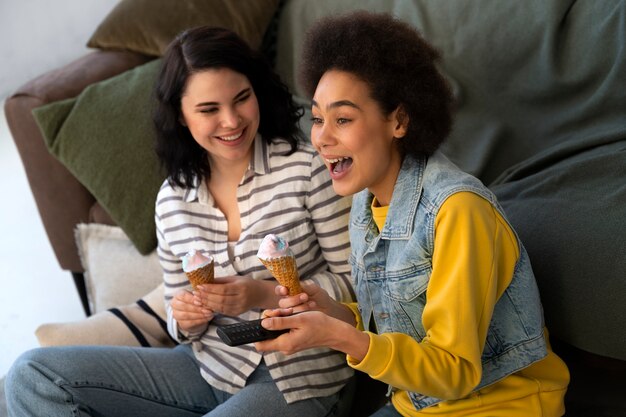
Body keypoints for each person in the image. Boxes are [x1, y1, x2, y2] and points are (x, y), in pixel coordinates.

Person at [6, 26, 355, 417]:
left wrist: (261, 294)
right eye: (208, 109)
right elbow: (176, 314)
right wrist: (185, 317)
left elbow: (355, 284)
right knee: (31, 374)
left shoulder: (307, 169)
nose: (231, 121)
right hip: (206, 369)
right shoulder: (172, 201)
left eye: (242, 99)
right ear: (181, 116)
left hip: (300, 377)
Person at [255, 11, 570, 417]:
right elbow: (400, 325)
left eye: (343, 119)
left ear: (399, 120)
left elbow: (454, 370)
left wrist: (341, 338)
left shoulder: (458, 211)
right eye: (317, 119)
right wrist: (335, 315)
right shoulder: (365, 205)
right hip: (415, 407)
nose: (322, 138)